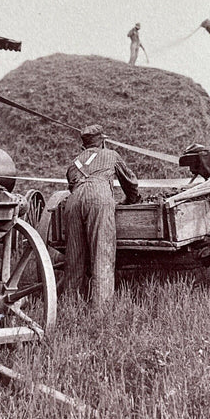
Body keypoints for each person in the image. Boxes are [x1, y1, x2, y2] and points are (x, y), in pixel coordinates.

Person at [64, 124, 141, 307]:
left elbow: (72, 186)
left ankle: (70, 305)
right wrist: (133, 199)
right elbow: (130, 182)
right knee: (102, 252)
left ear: (84, 145)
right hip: (99, 199)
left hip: (73, 202)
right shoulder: (111, 155)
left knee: (74, 256)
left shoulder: (74, 163)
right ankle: (101, 309)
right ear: (102, 142)